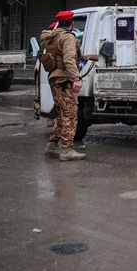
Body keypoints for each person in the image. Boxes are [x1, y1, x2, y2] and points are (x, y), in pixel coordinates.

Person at [40, 11, 94, 162]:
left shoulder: (51, 37)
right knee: (70, 114)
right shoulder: (68, 37)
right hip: (65, 79)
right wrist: (76, 78)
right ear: (72, 23)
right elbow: (69, 59)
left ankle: (51, 146)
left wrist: (84, 57)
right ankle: (67, 150)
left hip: (54, 77)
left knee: (62, 114)